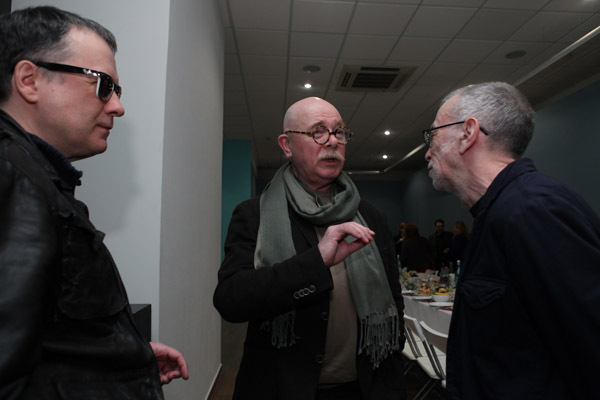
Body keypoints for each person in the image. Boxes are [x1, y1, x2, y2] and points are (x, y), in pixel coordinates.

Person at [0, 6, 188, 399]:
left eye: (117, 91)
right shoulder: (14, 179)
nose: (117, 106)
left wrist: (123, 358)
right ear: (29, 80)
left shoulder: (39, 179)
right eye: (103, 85)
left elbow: (50, 337)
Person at [214, 97, 405, 400]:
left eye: (338, 131)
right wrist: (316, 260)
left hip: (366, 388)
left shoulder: (371, 216)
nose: (332, 141)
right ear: (287, 145)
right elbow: (230, 300)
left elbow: (394, 297)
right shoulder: (254, 214)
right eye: (318, 131)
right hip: (284, 388)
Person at [424, 81, 600, 399]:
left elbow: (589, 344)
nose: (427, 151)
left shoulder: (532, 210)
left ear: (468, 133)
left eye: (432, 135)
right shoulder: (498, 212)